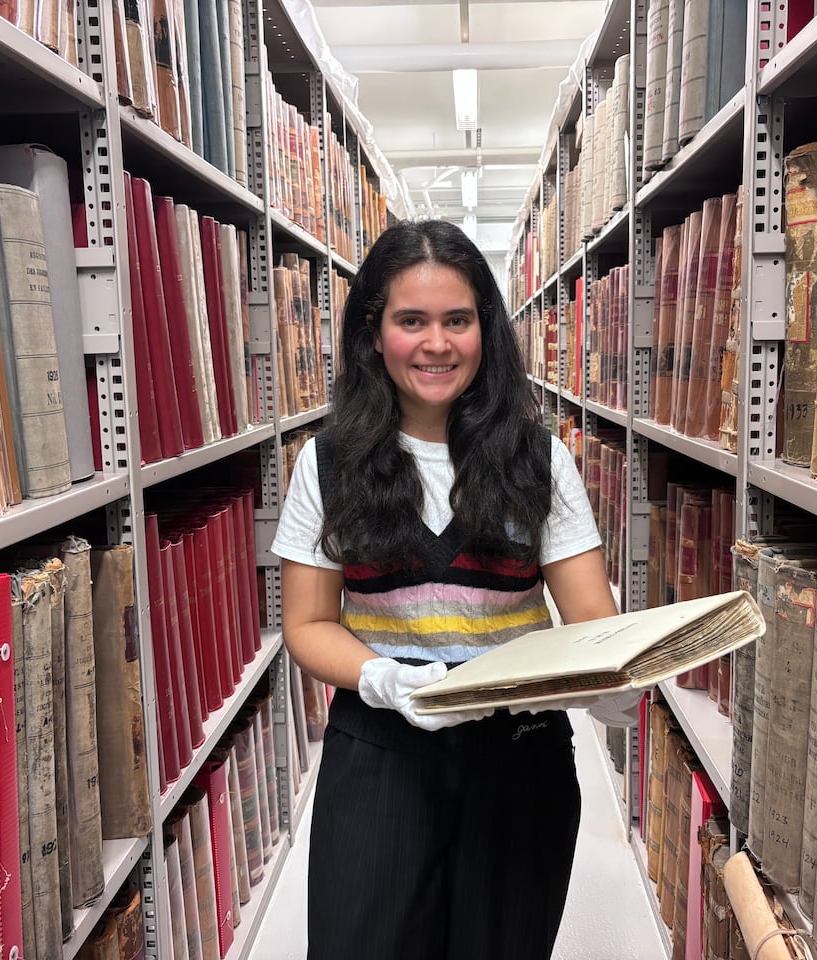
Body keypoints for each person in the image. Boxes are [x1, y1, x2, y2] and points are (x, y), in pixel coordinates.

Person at [271, 218, 641, 960]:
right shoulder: (327, 463)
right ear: (375, 333)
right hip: (378, 755)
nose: (437, 344)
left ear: (486, 332)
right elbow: (307, 623)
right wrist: (380, 677)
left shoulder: (543, 462)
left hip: (519, 758)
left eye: (458, 321)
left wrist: (614, 681)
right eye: (412, 321)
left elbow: (592, 619)